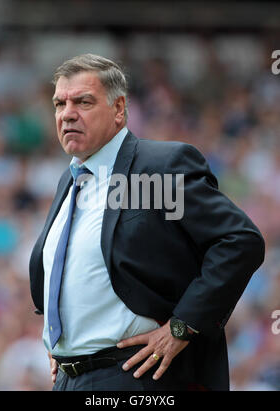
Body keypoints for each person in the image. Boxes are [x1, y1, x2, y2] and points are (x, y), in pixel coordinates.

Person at [29, 53, 265, 391]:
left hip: (135, 375)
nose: (67, 113)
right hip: (69, 378)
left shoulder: (158, 165)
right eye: (59, 104)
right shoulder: (71, 179)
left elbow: (240, 241)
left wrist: (182, 328)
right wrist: (67, 342)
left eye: (83, 101)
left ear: (119, 109)